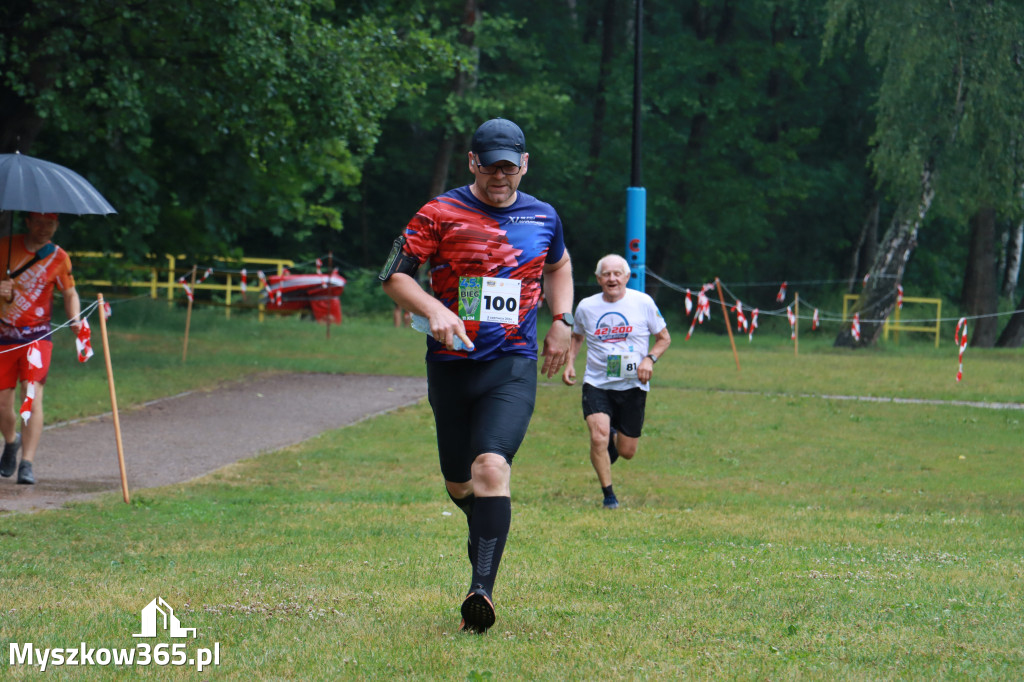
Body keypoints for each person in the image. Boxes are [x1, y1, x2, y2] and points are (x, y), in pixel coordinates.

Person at [380, 118, 573, 634]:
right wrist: (434, 310)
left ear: (524, 165)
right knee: (459, 482)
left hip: (512, 364)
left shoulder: (544, 216)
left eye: (509, 168)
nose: (499, 178)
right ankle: (481, 517)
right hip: (451, 366)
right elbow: (393, 273)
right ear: (473, 163)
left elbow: (558, 266)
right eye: (490, 168)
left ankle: (480, 592)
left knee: (492, 466)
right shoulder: (440, 213)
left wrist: (563, 320)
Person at [562, 254, 670, 509]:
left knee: (626, 451)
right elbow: (576, 337)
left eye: (617, 273)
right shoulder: (586, 307)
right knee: (598, 437)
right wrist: (569, 363)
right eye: (606, 274)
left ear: (626, 277)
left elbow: (664, 338)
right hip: (597, 382)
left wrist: (649, 360)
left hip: (633, 384)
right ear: (599, 279)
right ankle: (609, 495)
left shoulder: (643, 303)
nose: (612, 279)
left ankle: (613, 437)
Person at [0, 212, 82, 485]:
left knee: (31, 396)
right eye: (39, 222)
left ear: (57, 225)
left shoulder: (59, 258)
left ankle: (27, 463)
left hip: (38, 337)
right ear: (27, 222)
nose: (45, 228)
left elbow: (69, 292)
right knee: (3, 405)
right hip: (4, 337)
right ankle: (11, 443)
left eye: (51, 223)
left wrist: (75, 320)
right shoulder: (5, 247)